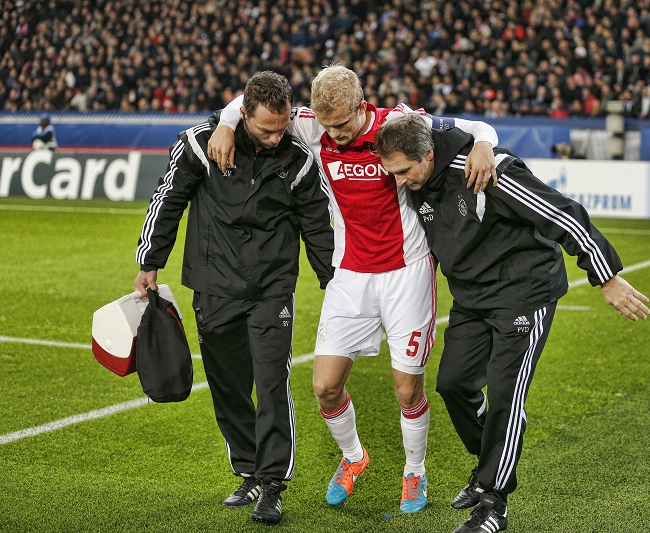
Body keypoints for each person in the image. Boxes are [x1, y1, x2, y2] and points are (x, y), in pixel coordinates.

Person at [207, 64, 499, 513]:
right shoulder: (311, 126)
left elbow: (475, 125)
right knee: (324, 387)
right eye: (328, 126)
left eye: (343, 124)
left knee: (407, 391)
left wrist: (484, 145)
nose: (335, 135)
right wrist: (227, 125)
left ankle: (414, 471)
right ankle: (353, 458)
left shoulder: (399, 124)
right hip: (349, 274)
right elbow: (241, 103)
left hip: (407, 272)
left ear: (363, 107)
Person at [375, 114, 650, 533]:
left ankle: (493, 502)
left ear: (428, 155)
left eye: (403, 171)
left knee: (505, 394)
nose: (398, 181)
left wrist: (606, 277)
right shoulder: (417, 178)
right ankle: (489, 462)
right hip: (472, 298)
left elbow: (564, 215)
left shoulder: (490, 169)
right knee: (454, 385)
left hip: (525, 292)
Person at [133, 71, 334, 525]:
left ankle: (273, 483)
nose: (276, 136)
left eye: (282, 127)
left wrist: (332, 283)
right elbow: (168, 200)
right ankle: (247, 470)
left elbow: (318, 226)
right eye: (266, 128)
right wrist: (149, 261)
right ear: (242, 114)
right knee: (227, 384)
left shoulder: (299, 160)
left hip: (271, 287)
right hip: (213, 282)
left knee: (270, 381)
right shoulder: (200, 145)